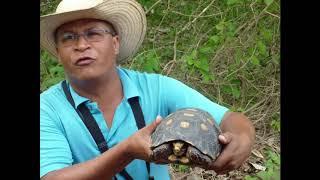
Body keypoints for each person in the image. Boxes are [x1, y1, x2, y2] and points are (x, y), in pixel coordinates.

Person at [40, 0, 255, 179]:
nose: (81, 45)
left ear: (115, 43)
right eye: (68, 37)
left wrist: (242, 138)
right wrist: (126, 151)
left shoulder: (156, 88)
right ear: (58, 53)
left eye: (93, 33)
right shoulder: (47, 108)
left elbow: (230, 118)